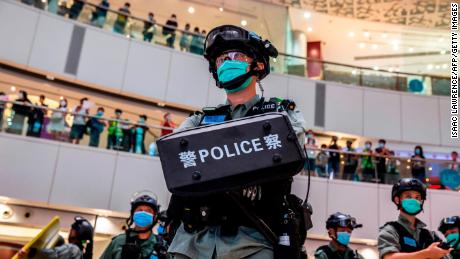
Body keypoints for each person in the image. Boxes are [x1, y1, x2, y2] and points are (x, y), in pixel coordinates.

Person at [167, 25, 307, 259]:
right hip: (192, 243)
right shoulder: (198, 120)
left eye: (238, 56)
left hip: (253, 242)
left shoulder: (282, 114)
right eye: (222, 59)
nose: (228, 62)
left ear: (259, 64)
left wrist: (212, 157)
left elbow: (289, 146)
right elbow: (174, 157)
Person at [378, 178, 452, 258]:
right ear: (397, 200)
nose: (413, 200)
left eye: (417, 197)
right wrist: (426, 254)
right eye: (408, 196)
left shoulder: (431, 236)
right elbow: (389, 257)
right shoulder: (390, 231)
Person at [100, 191, 168, 259]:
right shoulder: (118, 241)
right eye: (139, 210)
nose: (143, 213)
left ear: (155, 217)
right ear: (133, 214)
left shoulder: (162, 246)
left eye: (148, 211)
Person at [18, 216, 93, 259]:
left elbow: (54, 255)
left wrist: (32, 252)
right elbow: (86, 241)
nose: (70, 231)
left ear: (78, 233)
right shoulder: (80, 253)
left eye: (73, 229)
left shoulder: (73, 249)